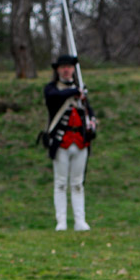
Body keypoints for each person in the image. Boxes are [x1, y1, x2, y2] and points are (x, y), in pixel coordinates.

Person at [43, 54, 96, 232]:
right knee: (60, 183)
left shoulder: (80, 90)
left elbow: (89, 111)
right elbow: (55, 97)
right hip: (61, 141)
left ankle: (80, 221)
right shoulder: (52, 89)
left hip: (80, 142)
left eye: (69, 67)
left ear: (73, 70)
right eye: (63, 67)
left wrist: (92, 121)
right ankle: (61, 222)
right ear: (58, 70)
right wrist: (76, 92)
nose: (66, 70)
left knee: (77, 183)